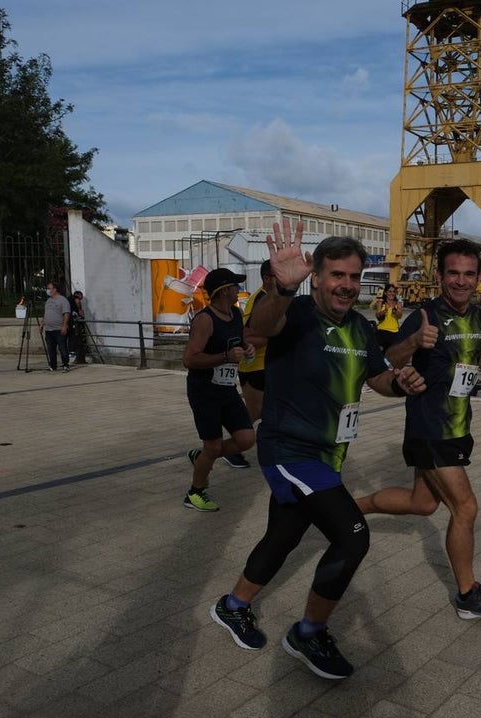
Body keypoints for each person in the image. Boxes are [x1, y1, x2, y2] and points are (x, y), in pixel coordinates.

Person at [210, 221, 425, 680]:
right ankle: (308, 633)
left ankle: (233, 605)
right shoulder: (299, 312)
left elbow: (378, 380)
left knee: (283, 536)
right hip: (289, 450)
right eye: (337, 276)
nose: (347, 285)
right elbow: (263, 328)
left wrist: (401, 382)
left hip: (328, 456)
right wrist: (282, 290)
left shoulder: (362, 329)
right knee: (352, 536)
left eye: (354, 276)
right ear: (317, 277)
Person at [357, 239, 481, 620]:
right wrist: (414, 342)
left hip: (457, 424)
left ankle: (348, 509)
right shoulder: (424, 316)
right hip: (429, 426)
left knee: (422, 503)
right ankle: (468, 595)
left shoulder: (479, 318)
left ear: (478, 277)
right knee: (465, 507)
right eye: (453, 273)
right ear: (440, 276)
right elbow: (386, 360)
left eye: (469, 274)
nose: (461, 281)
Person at [181, 268, 257, 511]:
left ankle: (203, 457)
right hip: (204, 391)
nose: (238, 289)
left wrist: (248, 349)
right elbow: (190, 360)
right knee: (212, 446)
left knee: (246, 438)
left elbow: (239, 340)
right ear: (224, 291)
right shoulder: (205, 320)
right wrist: (224, 356)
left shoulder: (235, 313)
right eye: (235, 285)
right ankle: (195, 492)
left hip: (226, 389)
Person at [238, 259, 277, 425]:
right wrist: (278, 338)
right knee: (255, 414)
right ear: (267, 278)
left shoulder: (275, 299)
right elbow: (246, 337)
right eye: (279, 275)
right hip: (255, 368)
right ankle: (229, 445)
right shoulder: (260, 300)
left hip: (269, 365)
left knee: (272, 412)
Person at [38, 281, 71, 372]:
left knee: (62, 348)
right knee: (51, 349)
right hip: (49, 329)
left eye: (49, 288)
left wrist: (64, 325)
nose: (48, 290)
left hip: (59, 329)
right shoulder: (48, 301)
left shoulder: (62, 300)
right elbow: (46, 314)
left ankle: (65, 365)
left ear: (55, 289)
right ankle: (53, 365)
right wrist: (42, 324)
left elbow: (66, 313)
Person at [370, 284, 403, 351]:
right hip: (382, 330)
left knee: (392, 353)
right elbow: (377, 315)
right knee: (380, 350)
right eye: (390, 291)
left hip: (394, 331)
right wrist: (385, 310)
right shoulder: (381, 302)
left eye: (394, 291)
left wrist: (394, 310)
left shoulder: (398, 303)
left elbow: (399, 316)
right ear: (385, 293)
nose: (392, 293)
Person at [69, 290, 88, 364]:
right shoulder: (76, 300)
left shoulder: (69, 300)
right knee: (77, 339)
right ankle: (78, 357)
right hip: (75, 323)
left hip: (71, 322)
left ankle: (77, 357)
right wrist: (82, 315)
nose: (80, 300)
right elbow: (80, 311)